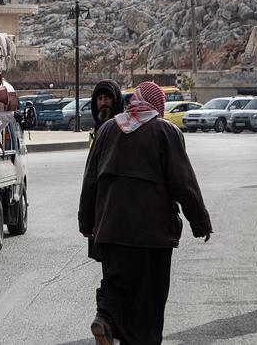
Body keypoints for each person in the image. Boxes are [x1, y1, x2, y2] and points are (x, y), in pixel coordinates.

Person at [78, 81, 212, 345]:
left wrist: (87, 222)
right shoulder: (165, 131)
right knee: (148, 298)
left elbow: (90, 180)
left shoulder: (107, 129)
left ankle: (105, 318)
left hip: (111, 228)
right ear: (158, 105)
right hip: (152, 234)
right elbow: (183, 183)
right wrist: (200, 222)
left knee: (115, 283)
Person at [87, 80, 125, 260]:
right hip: (100, 208)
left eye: (108, 98)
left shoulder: (125, 129)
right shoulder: (96, 131)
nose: (104, 102)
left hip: (119, 210)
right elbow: (90, 177)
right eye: (100, 98)